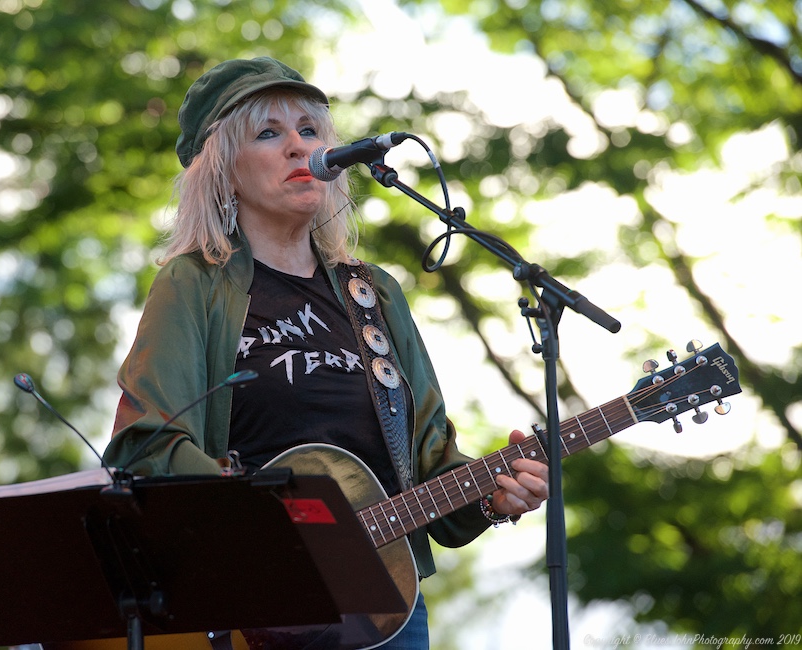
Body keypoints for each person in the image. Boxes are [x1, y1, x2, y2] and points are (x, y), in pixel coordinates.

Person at [102, 56, 549, 649]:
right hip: (254, 605)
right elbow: (146, 445)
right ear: (224, 171)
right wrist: (265, 515)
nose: (299, 146)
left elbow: (430, 466)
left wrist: (493, 495)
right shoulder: (194, 284)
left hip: (383, 611)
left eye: (309, 130)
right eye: (268, 133)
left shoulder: (374, 293)